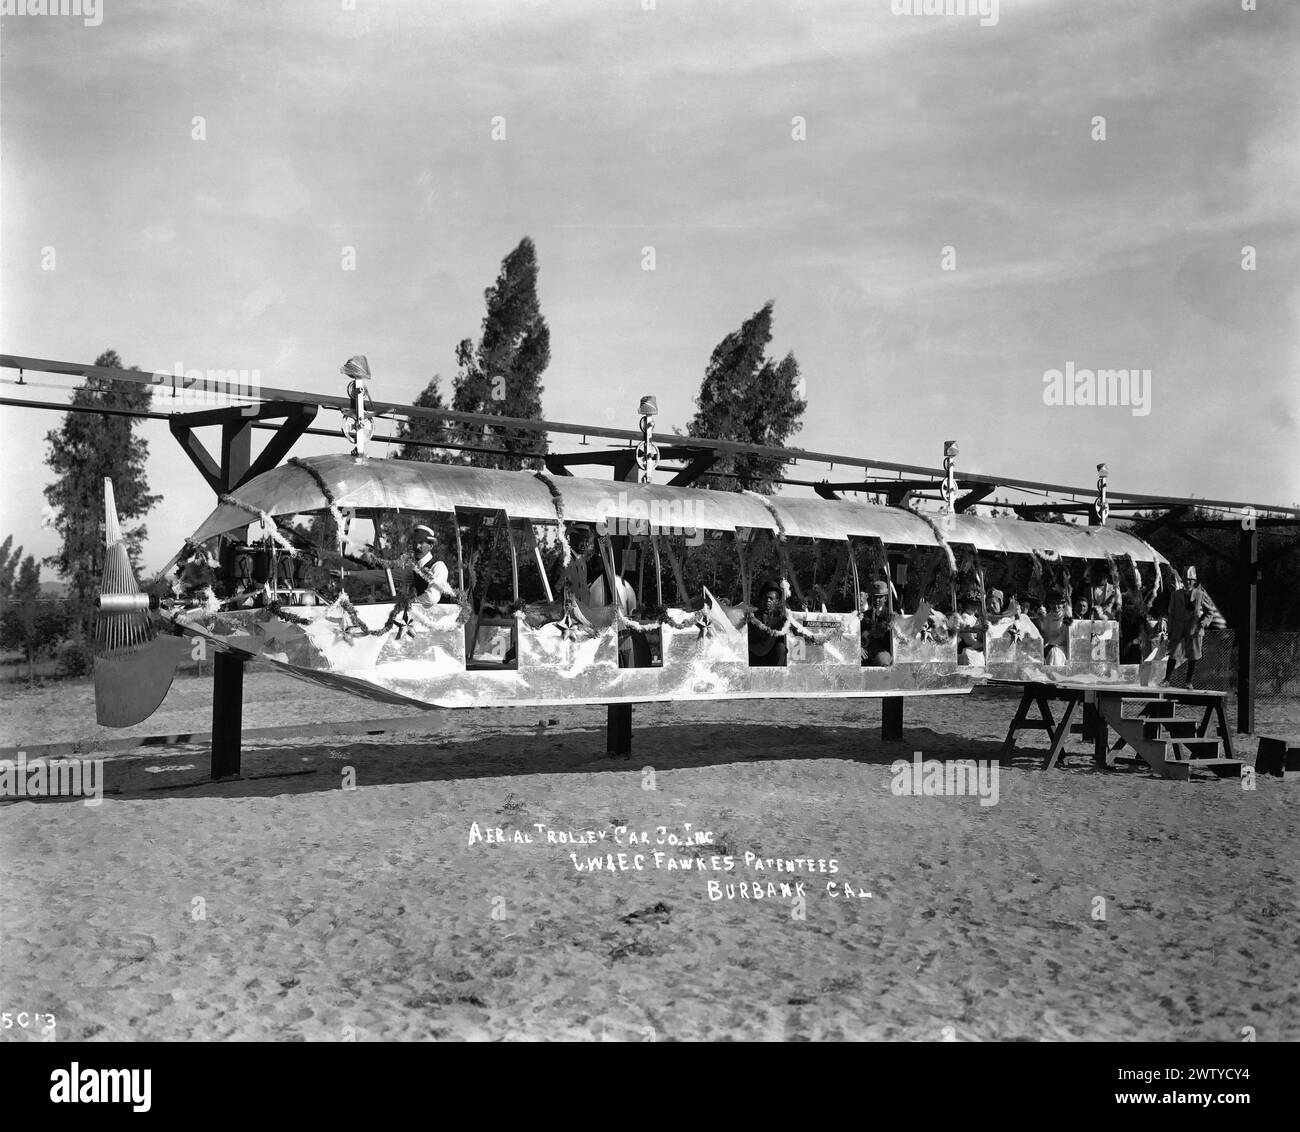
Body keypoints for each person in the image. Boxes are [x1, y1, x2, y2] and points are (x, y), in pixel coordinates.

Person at [1164, 565, 1217, 687]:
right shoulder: (1175, 595)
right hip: (1178, 629)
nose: (1187, 582)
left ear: (1194, 581)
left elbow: (1210, 612)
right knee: (1173, 654)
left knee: (1193, 656)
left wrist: (1203, 623)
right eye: (1185, 579)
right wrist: (1170, 629)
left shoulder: (1200, 594)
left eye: (1190, 580)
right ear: (1182, 581)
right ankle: (1166, 679)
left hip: (1194, 629)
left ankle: (1188, 681)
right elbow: (1171, 613)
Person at [411, 524, 456, 606]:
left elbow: (432, 597)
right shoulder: (415, 568)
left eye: (421, 543)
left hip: (440, 617)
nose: (417, 546)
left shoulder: (438, 566)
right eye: (415, 542)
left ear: (430, 546)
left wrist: (410, 603)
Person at [748, 581, 790, 667]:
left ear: (776, 601)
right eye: (766, 598)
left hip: (772, 658)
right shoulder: (752, 616)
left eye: (771, 598)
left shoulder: (781, 619)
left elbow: (794, 631)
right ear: (762, 599)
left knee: (781, 648)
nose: (768, 601)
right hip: (753, 657)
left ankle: (778, 677)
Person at [556, 527, 594, 605]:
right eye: (581, 540)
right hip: (569, 613)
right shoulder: (564, 560)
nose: (584, 545)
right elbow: (556, 589)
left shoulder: (583, 561)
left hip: (584, 611)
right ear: (573, 540)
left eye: (586, 541)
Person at [860, 580, 894, 667]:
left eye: (880, 597)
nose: (877, 600)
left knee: (882, 660)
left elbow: (890, 641)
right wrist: (859, 647)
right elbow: (858, 634)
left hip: (883, 651)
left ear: (885, 598)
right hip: (867, 650)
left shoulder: (890, 616)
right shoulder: (865, 615)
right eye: (874, 597)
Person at [1036, 591, 1071, 665]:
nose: (1055, 606)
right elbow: (1045, 633)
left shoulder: (1067, 617)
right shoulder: (1047, 617)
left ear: (1063, 604)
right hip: (1048, 646)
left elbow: (1064, 636)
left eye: (1058, 604)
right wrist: (1041, 620)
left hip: (1061, 647)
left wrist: (1052, 645)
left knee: (1054, 652)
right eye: (1053, 603)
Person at [955, 592, 986, 667]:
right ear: (965, 605)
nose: (974, 606)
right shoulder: (965, 617)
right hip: (967, 645)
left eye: (975, 604)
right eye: (970, 604)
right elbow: (969, 640)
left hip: (975, 644)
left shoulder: (974, 617)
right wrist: (982, 645)